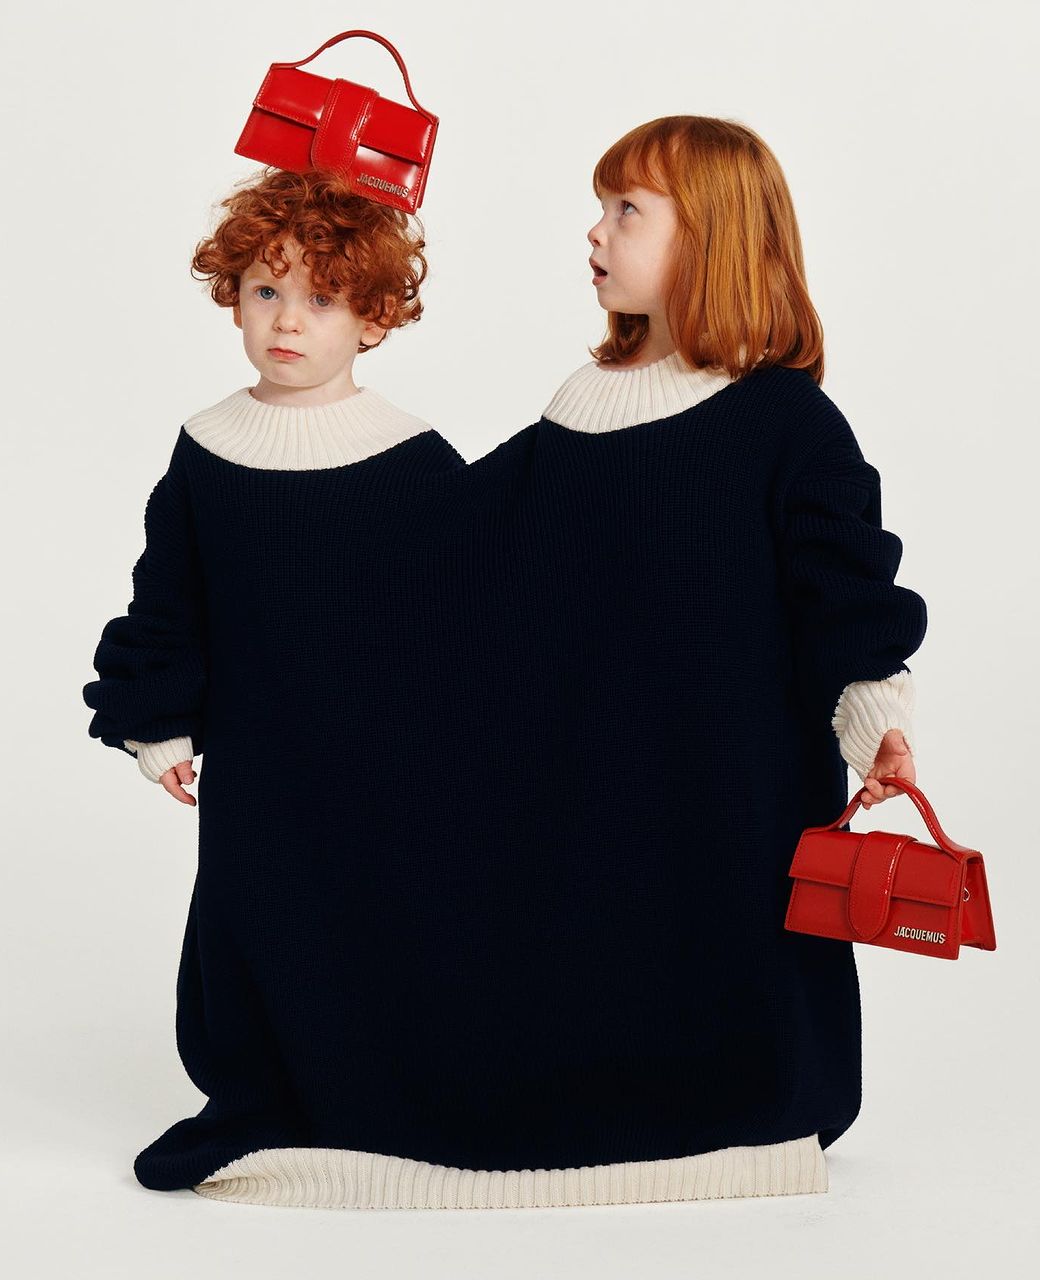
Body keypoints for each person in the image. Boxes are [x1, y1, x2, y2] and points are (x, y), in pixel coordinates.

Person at [83, 118, 927, 1210]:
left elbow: (844, 589)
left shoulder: (785, 420)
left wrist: (877, 716)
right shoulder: (584, 406)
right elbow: (461, 572)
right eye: (601, 207)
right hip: (600, 789)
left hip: (723, 789)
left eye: (627, 211)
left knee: (712, 968)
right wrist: (201, 669)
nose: (596, 231)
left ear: (710, 237)